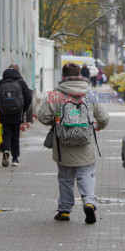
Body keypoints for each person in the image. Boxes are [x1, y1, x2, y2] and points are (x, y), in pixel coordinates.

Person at [38, 62, 109, 224]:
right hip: (85, 145)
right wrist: (98, 126)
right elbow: (104, 118)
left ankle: (64, 210)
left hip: (63, 147)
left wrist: (57, 122)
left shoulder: (55, 95)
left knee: (65, 178)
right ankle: (89, 202)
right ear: (80, 75)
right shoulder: (89, 94)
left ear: (62, 76)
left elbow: (42, 117)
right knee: (86, 175)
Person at [0, 64, 32, 167]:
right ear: (18, 71)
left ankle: (5, 150)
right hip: (17, 114)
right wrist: (23, 109)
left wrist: (1, 109)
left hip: (5, 113)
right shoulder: (21, 82)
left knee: (6, 133)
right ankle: (15, 158)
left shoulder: (1, 82)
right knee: (15, 135)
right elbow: (28, 97)